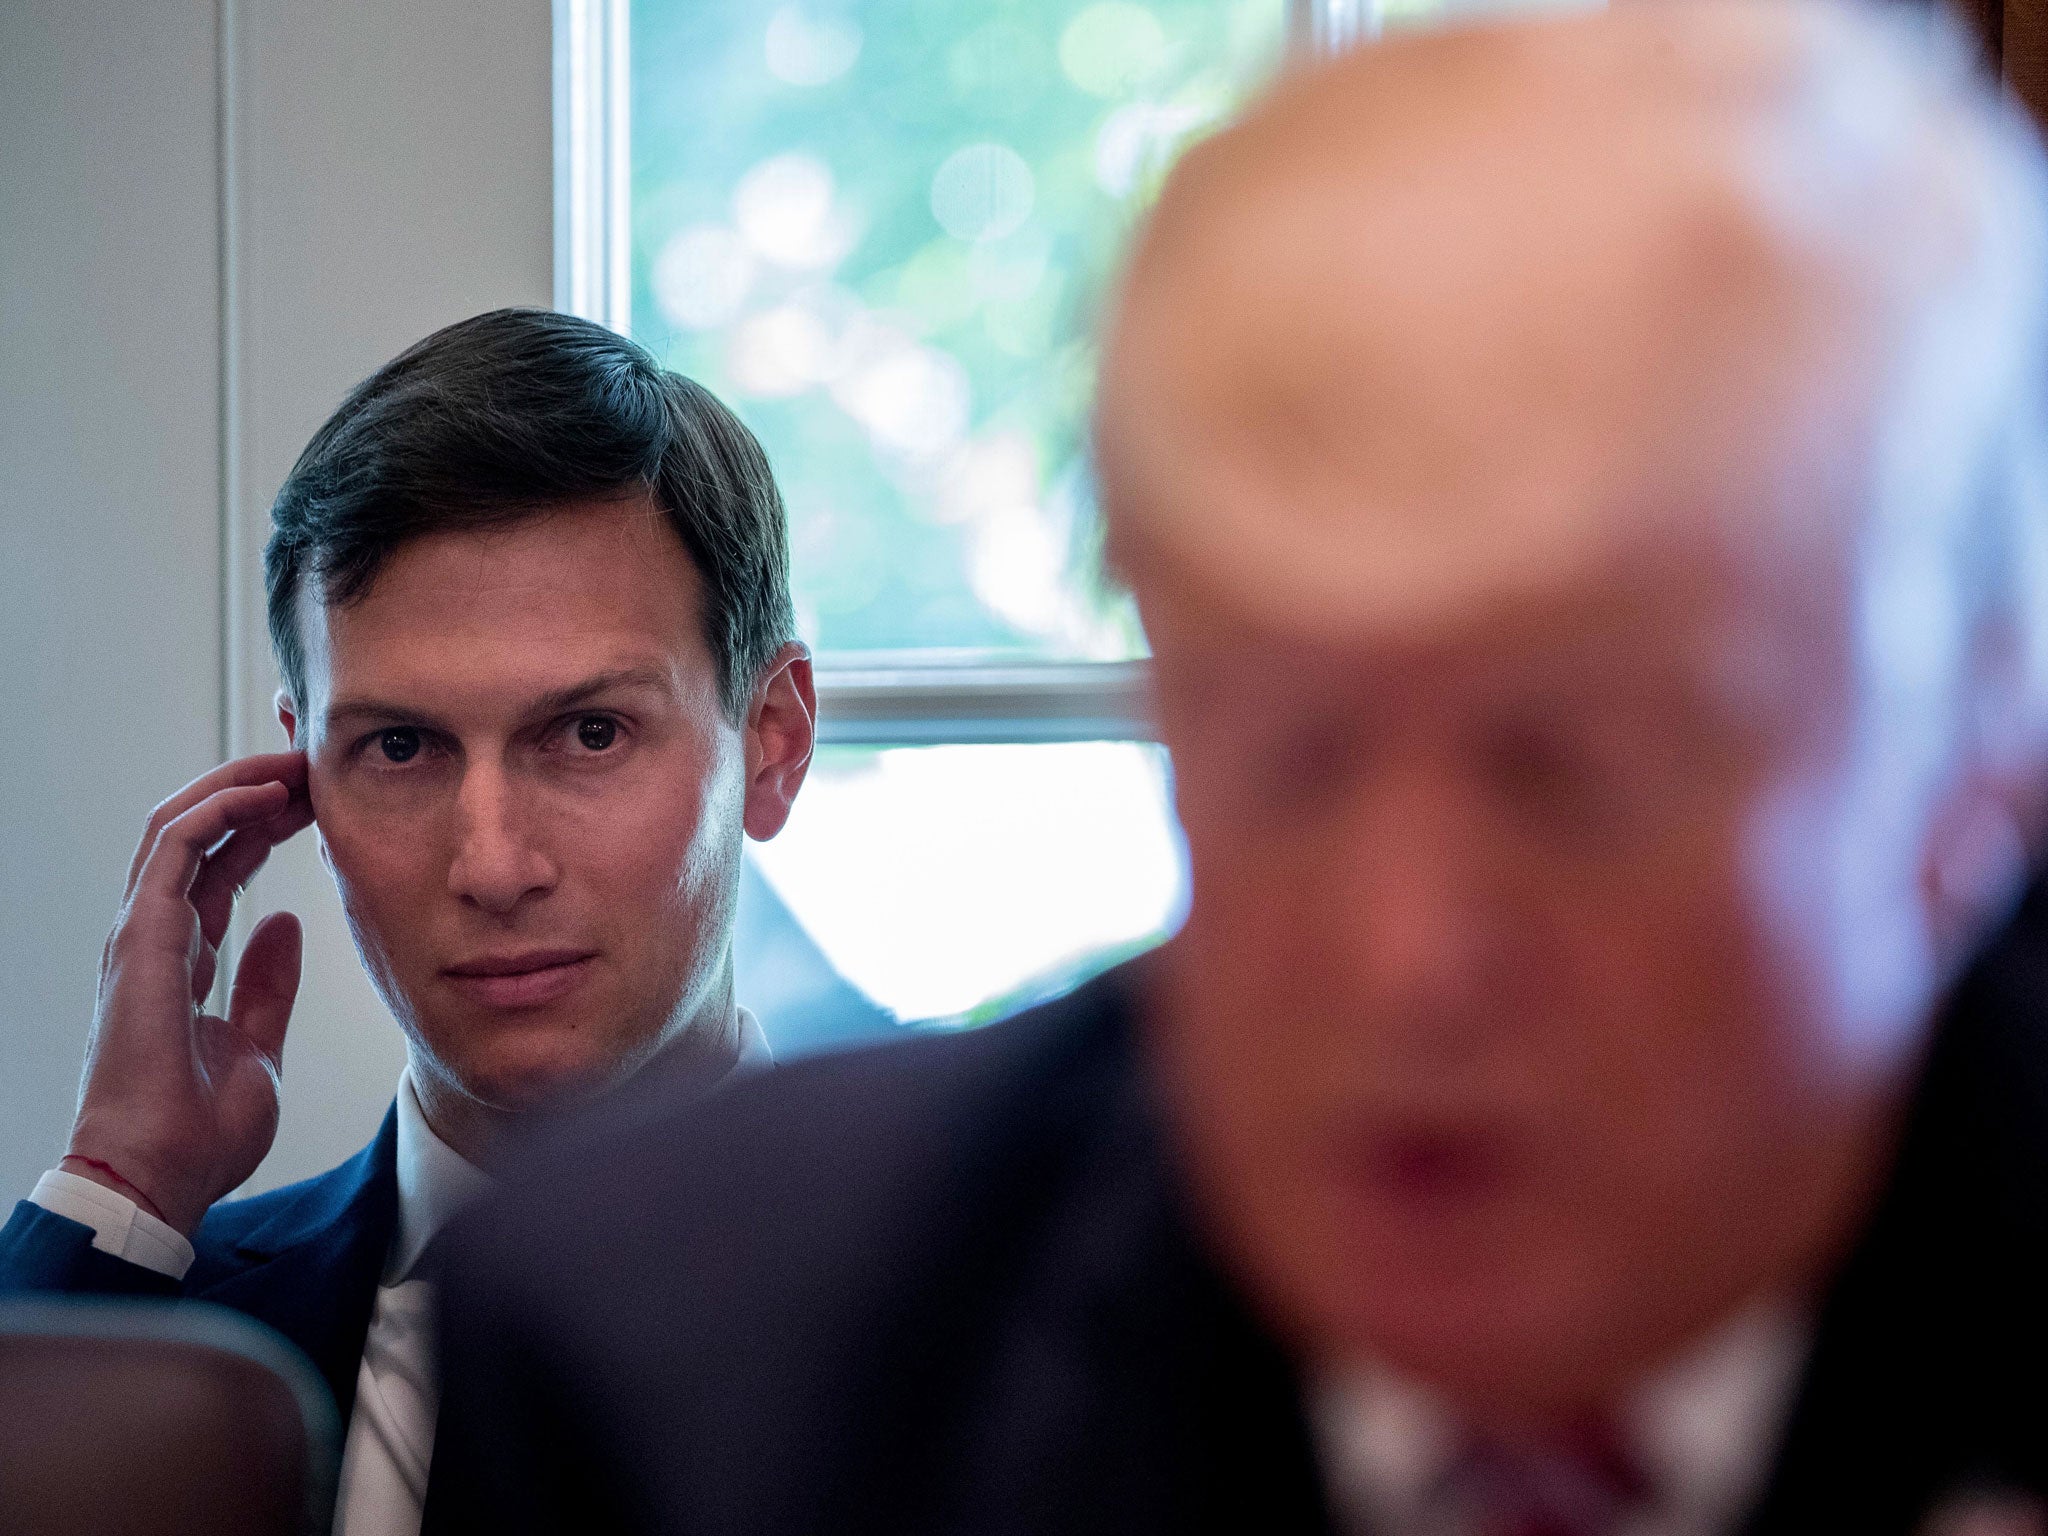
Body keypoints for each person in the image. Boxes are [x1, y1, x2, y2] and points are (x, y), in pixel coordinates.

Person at [426, 4, 2048, 1535]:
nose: (1405, 958)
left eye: (1574, 778)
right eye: (1288, 758)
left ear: (1980, 770)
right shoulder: (697, 1382)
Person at [0, 309, 817, 1535]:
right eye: (398, 746)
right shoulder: (172, 1324)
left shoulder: (995, 1311)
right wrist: (119, 1185)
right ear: (303, 779)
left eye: (589, 732)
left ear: (771, 744)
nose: (491, 865)